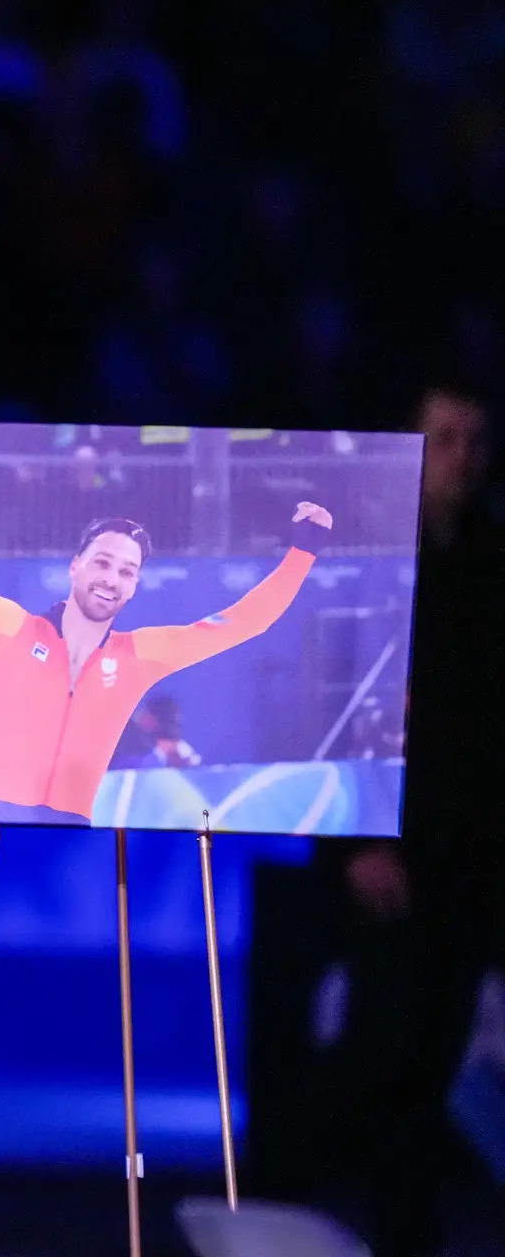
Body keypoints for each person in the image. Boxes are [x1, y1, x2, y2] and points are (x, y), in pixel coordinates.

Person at [279, 386, 505, 1256]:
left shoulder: (489, 560)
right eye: (444, 437)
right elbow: (324, 703)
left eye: (474, 440)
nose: (461, 456)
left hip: (468, 853)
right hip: (380, 846)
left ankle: (408, 1238)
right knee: (378, 1046)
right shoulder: (368, 557)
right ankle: (265, 1195)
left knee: (431, 1064)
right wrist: (351, 842)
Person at [0, 425, 330, 825]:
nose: (111, 578)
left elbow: (243, 623)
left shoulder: (137, 658)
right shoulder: (12, 629)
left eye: (127, 571)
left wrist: (302, 554)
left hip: (69, 843)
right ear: (75, 567)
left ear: (134, 587)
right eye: (103, 563)